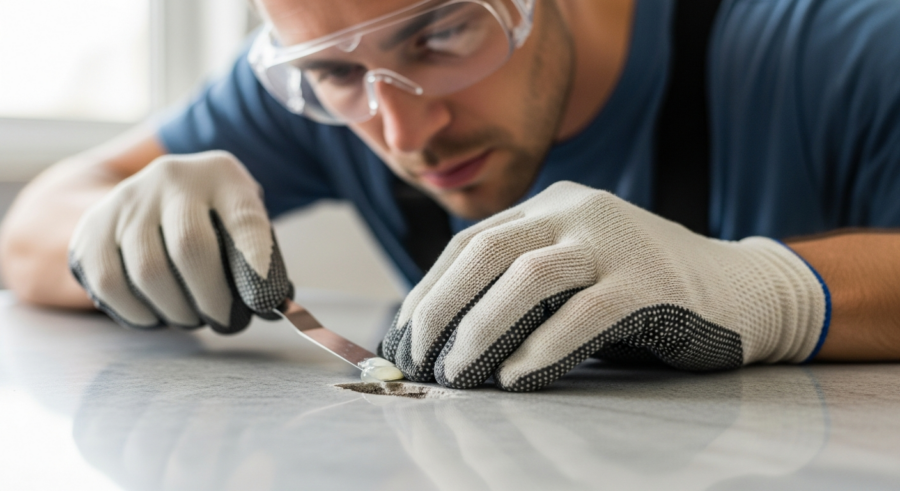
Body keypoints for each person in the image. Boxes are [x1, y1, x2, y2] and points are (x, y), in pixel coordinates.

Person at [2, 0, 899, 392]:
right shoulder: (335, 81)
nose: (402, 132)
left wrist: (764, 289)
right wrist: (111, 228)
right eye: (334, 74)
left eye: (443, 35)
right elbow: (27, 232)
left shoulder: (837, 48)